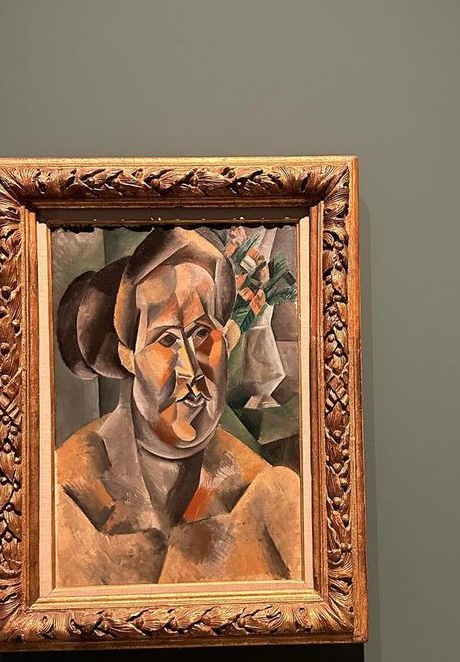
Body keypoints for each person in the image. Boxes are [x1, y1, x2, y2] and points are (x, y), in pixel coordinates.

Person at [54, 227, 301, 586]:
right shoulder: (65, 495)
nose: (191, 369)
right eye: (167, 340)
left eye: (202, 334)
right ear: (128, 357)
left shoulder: (271, 499)